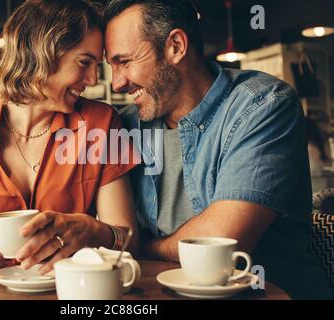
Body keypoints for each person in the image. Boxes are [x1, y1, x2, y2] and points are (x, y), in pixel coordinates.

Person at [103, 0, 333, 298]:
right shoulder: (124, 126)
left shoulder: (263, 104)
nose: (117, 82)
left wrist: (138, 246)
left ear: (175, 46)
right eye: (111, 66)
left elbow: (223, 242)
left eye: (125, 62)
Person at [0, 0, 139, 279]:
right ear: (40, 52)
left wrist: (94, 231)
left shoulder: (102, 124)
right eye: (84, 63)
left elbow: (129, 240)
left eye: (97, 65)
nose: (94, 79)